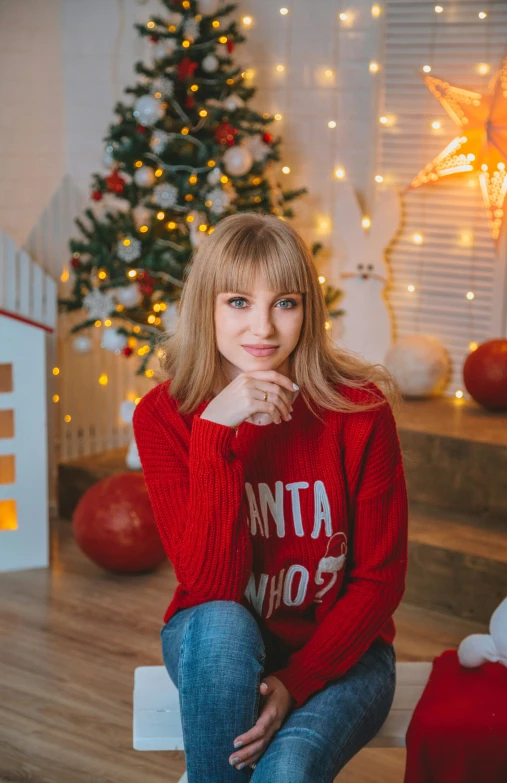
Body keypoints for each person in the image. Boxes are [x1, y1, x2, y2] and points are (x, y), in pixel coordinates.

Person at [132, 212, 408, 782]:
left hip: (344, 656)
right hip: (213, 650)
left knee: (288, 770)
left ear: (307, 310)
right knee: (223, 625)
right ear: (206, 305)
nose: (263, 328)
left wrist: (296, 681)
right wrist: (215, 431)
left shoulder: (358, 412)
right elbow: (211, 590)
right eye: (238, 302)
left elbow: (380, 580)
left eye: (284, 303)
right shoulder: (165, 416)